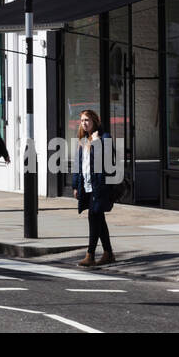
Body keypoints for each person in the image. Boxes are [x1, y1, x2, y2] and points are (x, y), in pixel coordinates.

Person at [72, 109, 115, 267]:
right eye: (82, 120)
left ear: (95, 121)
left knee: (93, 217)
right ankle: (108, 253)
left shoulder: (104, 138)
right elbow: (78, 165)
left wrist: (96, 142)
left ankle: (90, 254)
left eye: (87, 120)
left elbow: (109, 159)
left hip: (100, 186)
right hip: (86, 186)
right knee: (99, 219)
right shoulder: (82, 140)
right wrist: (76, 185)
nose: (84, 123)